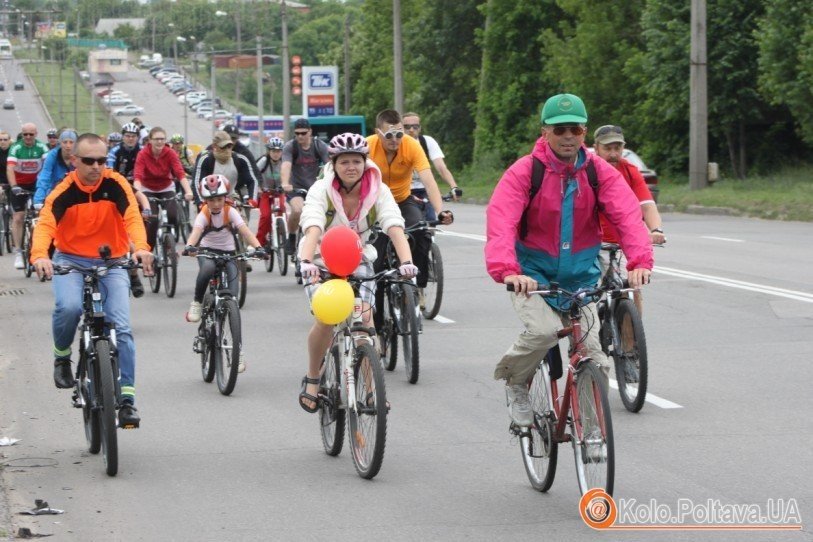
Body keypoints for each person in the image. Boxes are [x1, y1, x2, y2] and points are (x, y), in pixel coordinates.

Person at [485, 93, 654, 427]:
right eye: (559, 129)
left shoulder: (598, 172)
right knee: (546, 331)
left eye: (574, 129)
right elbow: (501, 221)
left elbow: (627, 215)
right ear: (545, 131)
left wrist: (640, 262)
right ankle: (516, 382)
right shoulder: (525, 171)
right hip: (533, 278)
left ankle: (592, 436)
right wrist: (508, 271)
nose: (567, 136)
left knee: (596, 358)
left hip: (581, 279)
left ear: (584, 132)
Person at [30, 133, 154, 428]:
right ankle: (62, 357)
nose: (96, 166)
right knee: (69, 308)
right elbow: (46, 223)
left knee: (121, 328)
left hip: (112, 261)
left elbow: (133, 218)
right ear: (74, 161)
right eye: (89, 161)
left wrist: (142, 249)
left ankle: (126, 401)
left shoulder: (116, 184)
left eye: (102, 160)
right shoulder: (64, 190)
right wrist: (39, 256)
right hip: (70, 260)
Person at [296, 133, 417, 412]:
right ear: (334, 165)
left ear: (365, 162)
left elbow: (393, 224)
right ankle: (314, 377)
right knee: (328, 318)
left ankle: (372, 389)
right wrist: (306, 262)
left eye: (356, 161)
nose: (351, 167)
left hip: (357, 256)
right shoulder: (320, 189)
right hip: (319, 256)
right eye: (344, 162)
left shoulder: (378, 190)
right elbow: (313, 224)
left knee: (364, 319)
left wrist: (407, 262)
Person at [365, 109, 453, 333]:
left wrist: (440, 211)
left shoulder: (412, 146)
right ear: (378, 133)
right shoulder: (367, 146)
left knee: (422, 232)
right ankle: (374, 316)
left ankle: (417, 287)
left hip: (403, 200)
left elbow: (428, 179)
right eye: (389, 136)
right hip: (374, 203)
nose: (395, 140)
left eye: (399, 135)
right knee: (374, 258)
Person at [183, 174, 265, 373]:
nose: (216, 204)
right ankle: (196, 303)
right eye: (211, 200)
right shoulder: (204, 214)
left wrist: (259, 246)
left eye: (219, 199)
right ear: (205, 200)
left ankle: (238, 352)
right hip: (206, 252)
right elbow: (196, 231)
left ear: (225, 198)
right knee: (208, 269)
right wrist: (190, 246)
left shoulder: (231, 211)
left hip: (229, 254)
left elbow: (245, 231)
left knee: (233, 300)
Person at [593, 125, 665, 316]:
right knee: (586, 292)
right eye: (608, 148)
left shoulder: (630, 171)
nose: (613, 153)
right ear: (596, 148)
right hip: (591, 242)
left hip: (622, 242)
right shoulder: (587, 169)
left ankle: (631, 343)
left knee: (630, 288)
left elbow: (647, 205)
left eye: (618, 148)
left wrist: (656, 230)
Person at [133, 127, 194, 249]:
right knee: (152, 220)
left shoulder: (170, 153)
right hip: (148, 189)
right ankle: (149, 250)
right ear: (150, 140)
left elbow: (180, 173)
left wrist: (188, 191)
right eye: (156, 139)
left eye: (162, 139)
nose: (159, 142)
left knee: (173, 215)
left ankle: (169, 243)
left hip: (166, 187)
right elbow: (138, 176)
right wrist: (138, 194)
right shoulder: (143, 154)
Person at [280, 118, 330, 254]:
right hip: (296, 188)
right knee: (297, 210)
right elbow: (286, 165)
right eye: (297, 133)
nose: (300, 136)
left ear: (310, 132)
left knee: (326, 214)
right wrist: (285, 183)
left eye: (303, 133)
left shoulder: (319, 146)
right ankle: (291, 236)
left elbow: (330, 166)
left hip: (315, 188)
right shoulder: (291, 146)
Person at [402, 112, 462, 218]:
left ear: (420, 128)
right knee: (409, 223)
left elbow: (441, 168)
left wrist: (454, 187)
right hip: (403, 189)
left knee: (431, 221)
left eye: (415, 126)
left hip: (425, 188)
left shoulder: (427, 141)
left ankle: (430, 234)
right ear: (401, 128)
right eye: (407, 127)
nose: (411, 130)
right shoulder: (396, 144)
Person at [7, 123, 49, 270]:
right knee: (18, 217)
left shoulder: (42, 147)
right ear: (22, 134)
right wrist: (14, 187)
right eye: (25, 134)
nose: (28, 137)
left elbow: (47, 167)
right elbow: (10, 168)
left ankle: (39, 247)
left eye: (31, 134)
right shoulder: (16, 148)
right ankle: (18, 252)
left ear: (36, 134)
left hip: (36, 185)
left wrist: (44, 187)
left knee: (40, 216)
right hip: (19, 185)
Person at [193, 131, 260, 206]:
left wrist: (252, 199)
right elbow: (196, 182)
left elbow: (252, 180)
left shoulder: (241, 159)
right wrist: (200, 202)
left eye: (229, 147)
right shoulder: (205, 160)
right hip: (209, 201)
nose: (227, 150)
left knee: (241, 216)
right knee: (203, 217)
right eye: (223, 147)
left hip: (231, 198)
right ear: (215, 146)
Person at [34, 129, 77, 206]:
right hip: (54, 192)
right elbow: (45, 175)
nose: (68, 146)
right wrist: (38, 199)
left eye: (71, 142)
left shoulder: (79, 156)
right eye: (65, 142)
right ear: (60, 143)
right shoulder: (52, 155)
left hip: (74, 193)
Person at [255, 137, 284, 245]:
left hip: (278, 192)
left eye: (278, 151)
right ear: (268, 151)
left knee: (281, 208)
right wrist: (259, 187)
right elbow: (255, 174)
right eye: (273, 151)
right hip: (266, 193)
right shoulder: (264, 161)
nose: (276, 154)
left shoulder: (284, 162)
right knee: (265, 216)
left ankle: (281, 232)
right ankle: (260, 242)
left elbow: (291, 175)